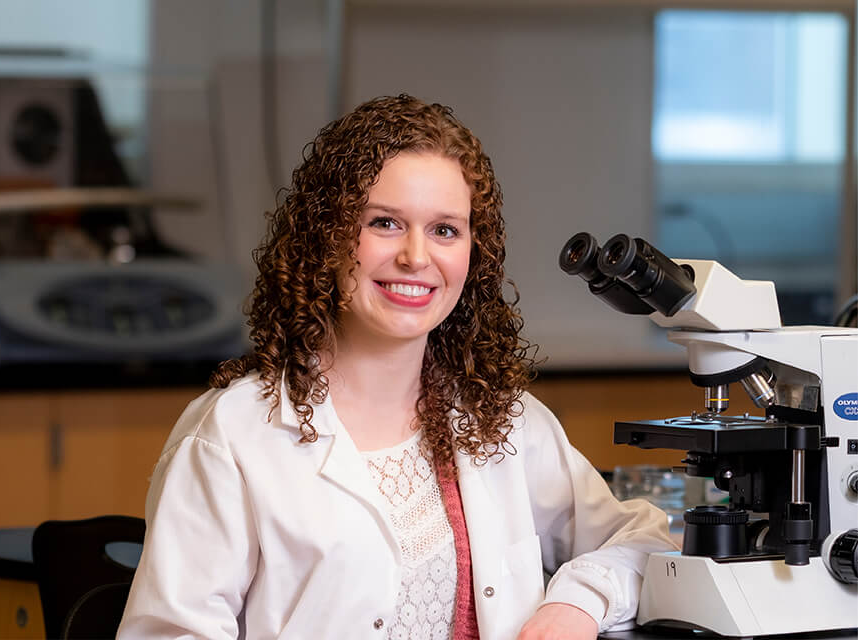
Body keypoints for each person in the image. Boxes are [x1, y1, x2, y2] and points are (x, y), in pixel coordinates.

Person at [117, 94, 676, 640]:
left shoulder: (503, 421)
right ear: (327, 237)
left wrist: (578, 605)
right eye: (384, 223)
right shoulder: (232, 435)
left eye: (445, 230)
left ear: (471, 254)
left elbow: (646, 538)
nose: (416, 256)